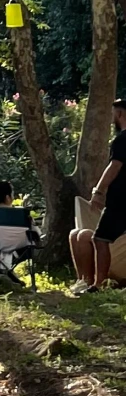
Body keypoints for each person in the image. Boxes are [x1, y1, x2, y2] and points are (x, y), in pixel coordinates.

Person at [77, 99, 126, 291]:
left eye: (114, 114)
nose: (112, 118)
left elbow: (114, 166)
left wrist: (99, 190)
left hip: (120, 200)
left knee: (100, 239)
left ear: (120, 114)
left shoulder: (122, 139)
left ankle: (99, 284)